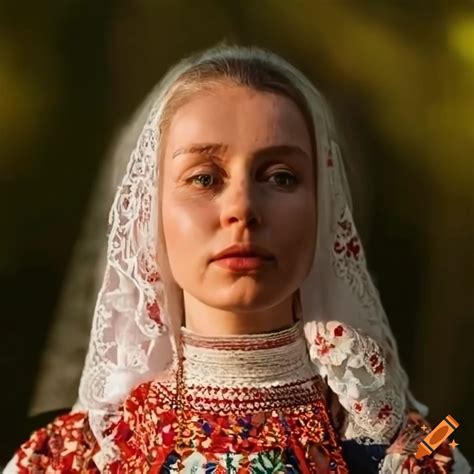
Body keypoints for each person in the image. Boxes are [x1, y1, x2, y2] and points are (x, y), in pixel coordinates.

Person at [5, 44, 471, 473]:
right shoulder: (73, 459)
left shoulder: (407, 454)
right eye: (205, 179)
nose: (242, 209)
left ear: (324, 210)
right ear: (149, 211)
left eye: (281, 176)